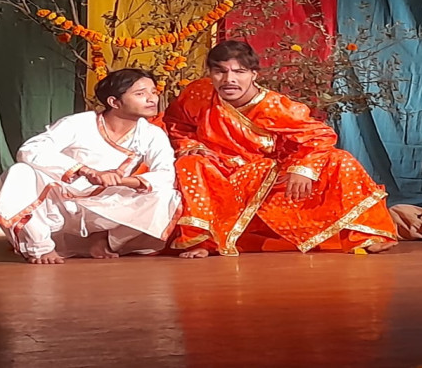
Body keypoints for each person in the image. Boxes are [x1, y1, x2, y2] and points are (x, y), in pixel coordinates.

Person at [164, 40, 398, 258]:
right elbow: (176, 122)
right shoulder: (199, 93)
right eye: (220, 71)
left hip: (267, 175)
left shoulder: (273, 106)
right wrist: (190, 145)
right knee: (189, 163)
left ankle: (367, 235)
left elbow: (320, 135)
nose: (229, 79)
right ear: (210, 73)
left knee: (340, 159)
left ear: (254, 74)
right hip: (218, 172)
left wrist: (304, 168)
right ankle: (202, 241)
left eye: (239, 71)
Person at [0, 69, 181, 264]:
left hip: (107, 205)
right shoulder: (79, 123)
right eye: (140, 93)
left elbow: (165, 174)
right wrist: (86, 171)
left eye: (154, 92)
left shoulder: (152, 134)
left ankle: (106, 241)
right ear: (114, 102)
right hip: (61, 202)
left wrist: (122, 181)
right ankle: (41, 247)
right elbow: (30, 150)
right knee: (19, 173)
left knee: (166, 196)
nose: (152, 99)